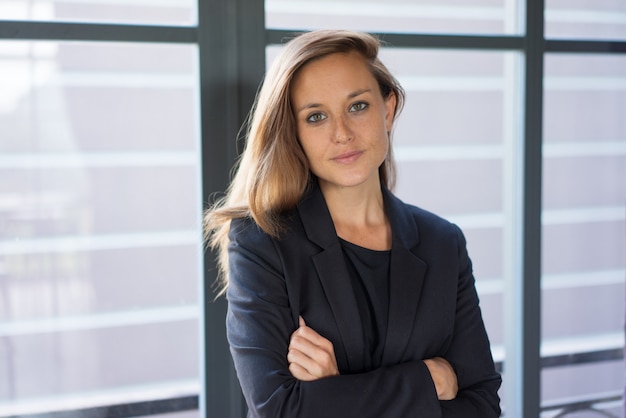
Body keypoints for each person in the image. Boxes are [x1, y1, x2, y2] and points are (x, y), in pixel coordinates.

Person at [204, 29, 502, 417]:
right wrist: (428, 381)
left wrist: (337, 389)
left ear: (388, 109)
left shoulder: (443, 243)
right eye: (316, 117)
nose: (341, 133)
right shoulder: (262, 242)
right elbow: (280, 410)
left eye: (357, 106)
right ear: (294, 135)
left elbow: (481, 406)